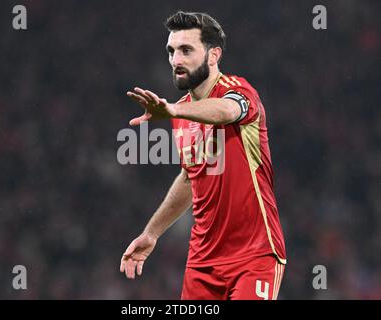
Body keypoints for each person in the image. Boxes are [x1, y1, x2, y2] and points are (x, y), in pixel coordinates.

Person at [120, 11, 287, 300]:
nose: (176, 61)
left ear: (213, 55)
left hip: (254, 255)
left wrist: (173, 109)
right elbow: (190, 177)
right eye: (171, 51)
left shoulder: (239, 91)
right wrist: (152, 232)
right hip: (202, 263)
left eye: (186, 50)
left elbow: (226, 111)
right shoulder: (181, 112)